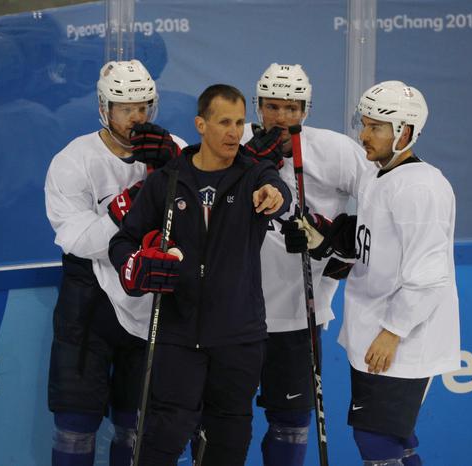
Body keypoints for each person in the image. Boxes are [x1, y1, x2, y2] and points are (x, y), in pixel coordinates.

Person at [108, 84, 291, 466]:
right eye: (224, 122)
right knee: (161, 437)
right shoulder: (167, 180)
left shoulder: (256, 175)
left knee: (226, 442)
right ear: (200, 125)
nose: (234, 132)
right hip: (177, 332)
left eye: (240, 122)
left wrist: (274, 194)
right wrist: (134, 267)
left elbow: (277, 190)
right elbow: (124, 241)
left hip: (238, 336)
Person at [288, 80, 461, 465]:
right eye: (363, 124)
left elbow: (429, 276)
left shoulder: (421, 189)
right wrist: (325, 242)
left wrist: (393, 331)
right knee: (394, 438)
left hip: (402, 339)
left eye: (376, 127)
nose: (363, 135)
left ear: (407, 132)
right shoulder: (379, 176)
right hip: (374, 329)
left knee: (376, 440)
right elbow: (372, 246)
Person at [44, 59, 186, 466]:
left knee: (137, 424)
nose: (137, 119)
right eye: (126, 109)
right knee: (74, 424)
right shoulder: (72, 161)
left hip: (149, 298)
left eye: (143, 107)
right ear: (105, 109)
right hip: (88, 303)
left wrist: (175, 165)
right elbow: (77, 240)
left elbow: (198, 213)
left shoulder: (171, 149)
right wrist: (129, 205)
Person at [240, 63, 369, 465]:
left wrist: (334, 247)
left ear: (306, 109)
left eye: (292, 108)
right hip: (232, 311)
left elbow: (376, 210)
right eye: (273, 106)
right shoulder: (234, 141)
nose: (281, 117)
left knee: (291, 422)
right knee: (222, 416)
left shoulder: (336, 150)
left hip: (298, 313)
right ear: (258, 106)